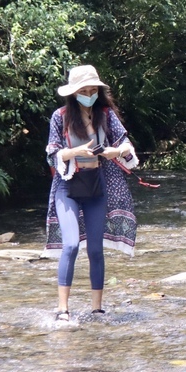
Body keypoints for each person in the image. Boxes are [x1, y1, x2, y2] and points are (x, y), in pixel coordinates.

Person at [44, 65, 140, 321]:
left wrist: (115, 152)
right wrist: (76, 152)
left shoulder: (106, 116)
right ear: (73, 93)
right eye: (83, 90)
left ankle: (97, 308)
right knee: (72, 245)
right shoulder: (60, 117)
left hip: (97, 187)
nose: (88, 94)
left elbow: (126, 145)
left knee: (95, 250)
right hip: (68, 187)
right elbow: (53, 153)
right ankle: (63, 309)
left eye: (92, 90)